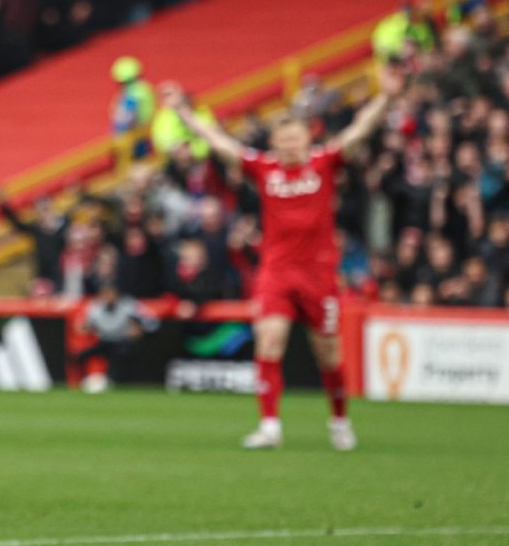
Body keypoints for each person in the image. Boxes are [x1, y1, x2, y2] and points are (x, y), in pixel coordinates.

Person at [171, 65, 401, 450]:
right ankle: (270, 426)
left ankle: (340, 421)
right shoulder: (264, 169)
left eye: (297, 138)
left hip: (319, 274)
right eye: (284, 139)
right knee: (268, 343)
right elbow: (220, 143)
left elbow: (359, 130)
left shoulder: (324, 162)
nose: (291, 145)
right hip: (276, 272)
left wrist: (387, 97)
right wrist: (184, 114)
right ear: (275, 142)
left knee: (328, 354)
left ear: (307, 138)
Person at [76, 281, 158, 392]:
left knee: (120, 354)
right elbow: (86, 326)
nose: (107, 297)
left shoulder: (128, 305)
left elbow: (152, 322)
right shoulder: (95, 308)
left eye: (110, 294)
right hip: (105, 341)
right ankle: (85, 381)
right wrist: (85, 327)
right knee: (82, 355)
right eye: (104, 294)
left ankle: (115, 382)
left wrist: (140, 329)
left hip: (123, 341)